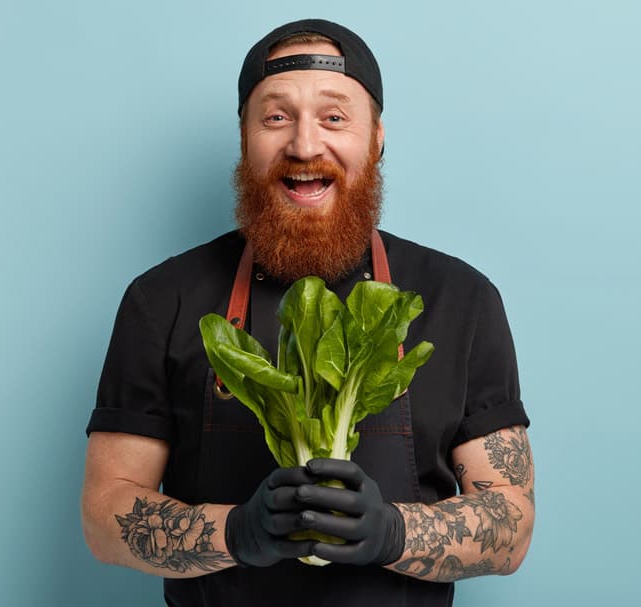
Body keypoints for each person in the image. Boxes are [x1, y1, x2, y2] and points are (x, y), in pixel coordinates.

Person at [80, 18, 534, 606]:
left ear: (376, 139)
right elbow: (104, 515)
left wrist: (392, 532)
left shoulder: (461, 298)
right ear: (244, 138)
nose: (304, 145)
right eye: (275, 117)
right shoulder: (161, 299)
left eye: (334, 117)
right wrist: (236, 532)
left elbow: (511, 525)